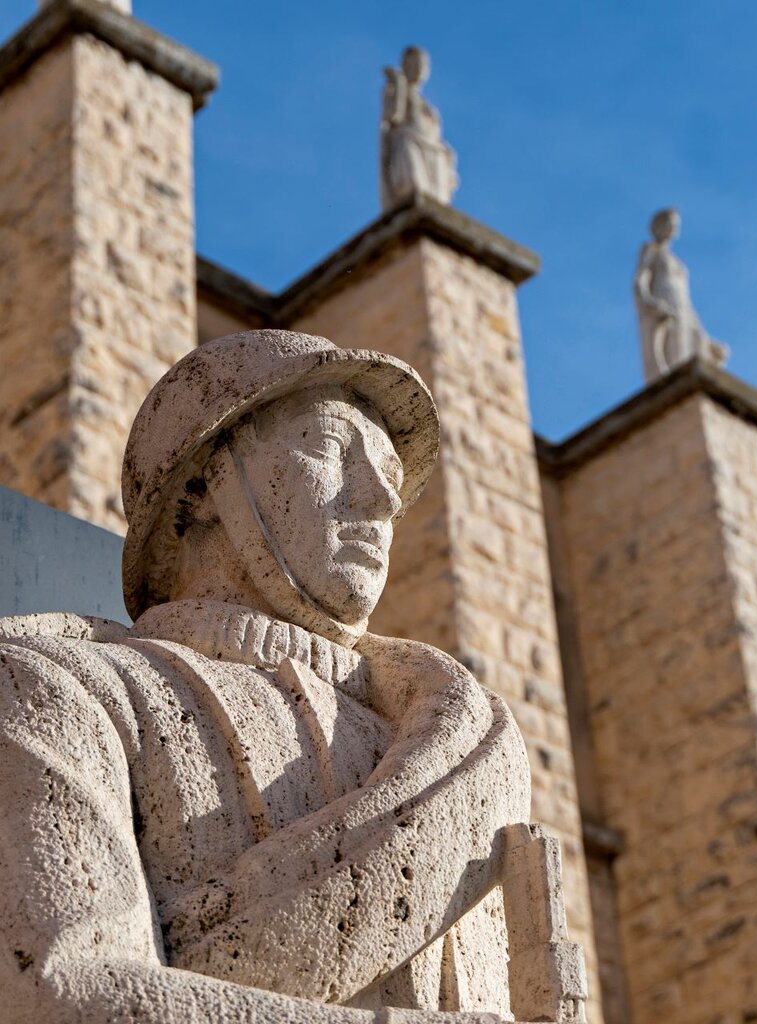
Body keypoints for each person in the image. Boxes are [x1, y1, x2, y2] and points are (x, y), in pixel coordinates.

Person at [0, 330, 551, 1021]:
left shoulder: (458, 750)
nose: (380, 499)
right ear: (199, 484)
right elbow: (58, 995)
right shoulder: (57, 691)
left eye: (388, 472)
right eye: (328, 447)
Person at [633, 207, 728, 382]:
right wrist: (649, 302)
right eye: (670, 223)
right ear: (659, 226)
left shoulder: (676, 261)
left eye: (676, 224)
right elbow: (640, 280)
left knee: (687, 346)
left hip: (681, 306)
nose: (673, 228)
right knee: (671, 352)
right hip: (663, 301)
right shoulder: (651, 250)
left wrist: (706, 339)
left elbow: (687, 302)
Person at [380, 46, 458, 210]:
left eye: (424, 65)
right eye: (415, 63)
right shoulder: (398, 89)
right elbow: (392, 116)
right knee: (412, 189)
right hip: (409, 142)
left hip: (432, 150)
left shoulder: (428, 106)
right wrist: (398, 84)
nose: (420, 68)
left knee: (436, 203)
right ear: (405, 65)